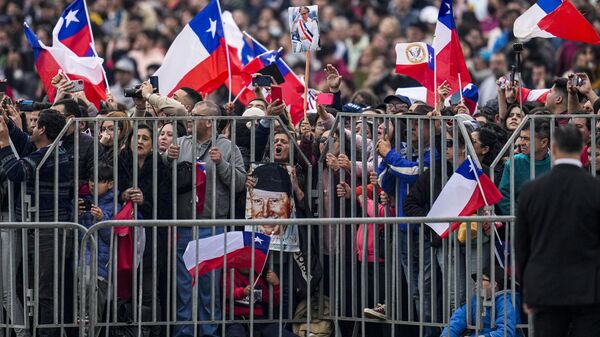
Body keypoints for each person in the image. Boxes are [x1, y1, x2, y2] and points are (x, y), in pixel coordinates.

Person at [166, 100, 246, 337]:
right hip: (183, 224)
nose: (189, 118)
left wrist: (221, 163)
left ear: (209, 122)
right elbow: (162, 179)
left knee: (209, 286)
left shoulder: (229, 148)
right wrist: (166, 160)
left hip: (213, 225)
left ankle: (209, 331)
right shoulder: (179, 144)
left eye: (195, 115)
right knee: (184, 285)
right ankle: (184, 332)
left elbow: (240, 183)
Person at [516, 124, 600, 337]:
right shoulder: (595, 190)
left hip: (545, 287)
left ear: (552, 148)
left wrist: (527, 290)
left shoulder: (531, 190)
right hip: (589, 288)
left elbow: (522, 246)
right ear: (582, 148)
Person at [0, 110, 72, 337]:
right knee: (34, 289)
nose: (31, 128)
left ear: (42, 130)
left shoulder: (52, 155)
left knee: (45, 293)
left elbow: (16, 171)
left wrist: (3, 142)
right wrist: (7, 121)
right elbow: (23, 142)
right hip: (37, 229)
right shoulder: (45, 149)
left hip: (49, 231)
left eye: (35, 125)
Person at [440, 266, 520, 337]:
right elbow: (457, 320)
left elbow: (506, 332)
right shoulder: (475, 300)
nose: (476, 283)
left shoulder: (505, 301)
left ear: (494, 284)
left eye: (481, 279)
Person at [497, 121, 551, 215]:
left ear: (544, 142)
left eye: (526, 139)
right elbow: (504, 195)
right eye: (521, 138)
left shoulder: (557, 163)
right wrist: (519, 219)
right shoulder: (514, 162)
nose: (521, 143)